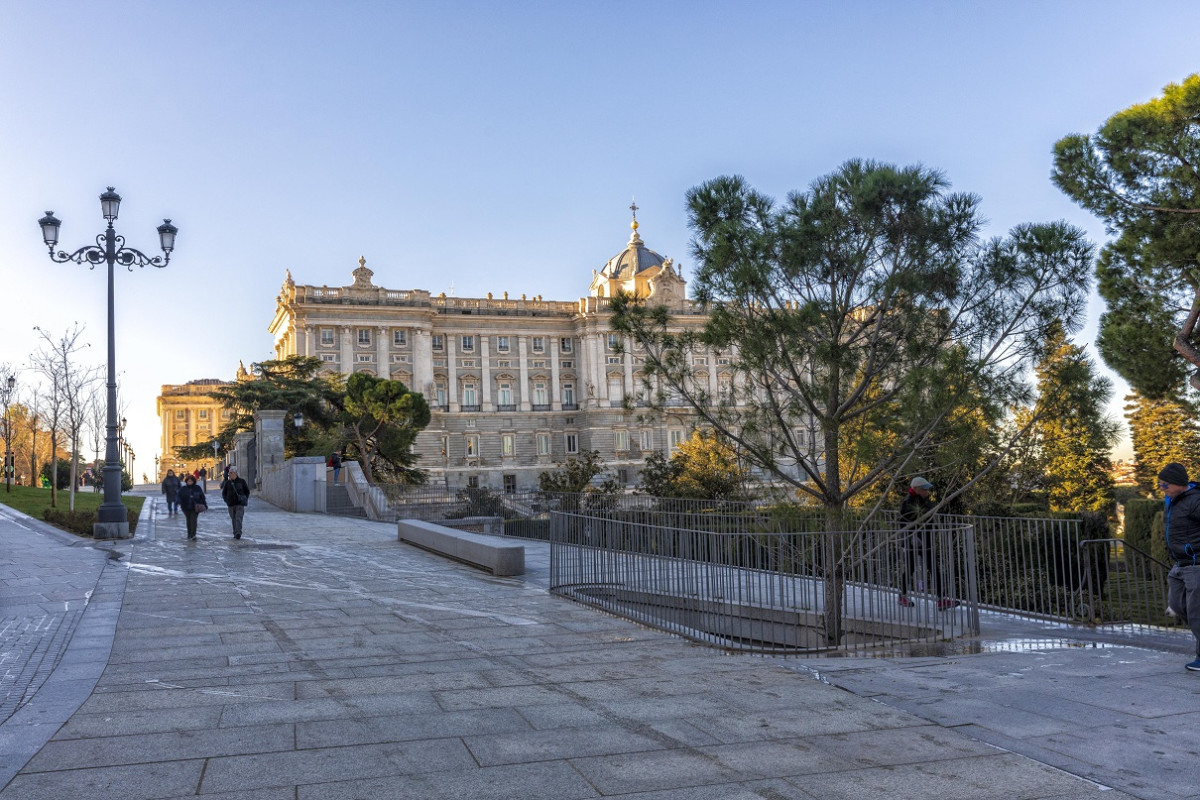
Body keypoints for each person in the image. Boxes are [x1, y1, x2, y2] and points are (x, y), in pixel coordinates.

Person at [1159, 462, 1200, 671]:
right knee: (1176, 604)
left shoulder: (1195, 500)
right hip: (1180, 564)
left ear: (1177, 483)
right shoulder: (1172, 499)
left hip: (1195, 564)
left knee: (1196, 613)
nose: (1161, 488)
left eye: (1164, 484)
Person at [897, 476, 959, 610]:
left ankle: (941, 600)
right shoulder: (908, 502)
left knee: (933, 569)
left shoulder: (924, 500)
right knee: (910, 569)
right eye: (924, 489)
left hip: (926, 540)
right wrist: (911, 536)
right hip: (912, 542)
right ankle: (902, 596)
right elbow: (903, 522)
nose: (927, 491)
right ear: (916, 489)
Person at [221, 466, 251, 540]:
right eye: (229, 473)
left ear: (235, 473)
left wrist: (244, 498)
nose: (229, 475)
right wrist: (226, 500)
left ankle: (238, 532)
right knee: (233, 519)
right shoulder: (227, 483)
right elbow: (224, 493)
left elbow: (247, 491)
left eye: (231, 473)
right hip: (231, 504)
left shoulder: (242, 481)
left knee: (238, 518)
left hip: (239, 504)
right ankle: (235, 532)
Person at [177, 474, 207, 540]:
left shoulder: (197, 488)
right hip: (186, 507)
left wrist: (205, 504)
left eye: (191, 481)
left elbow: (202, 497)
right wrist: (179, 502)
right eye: (188, 481)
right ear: (186, 481)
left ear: (193, 481)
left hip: (195, 507)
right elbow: (179, 496)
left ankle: (193, 534)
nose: (190, 482)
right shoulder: (183, 489)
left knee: (193, 520)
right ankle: (189, 534)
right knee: (188, 521)